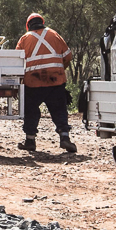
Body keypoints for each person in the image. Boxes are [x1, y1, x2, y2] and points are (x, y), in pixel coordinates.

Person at [16, 13, 77, 154]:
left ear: (28, 26)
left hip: (33, 82)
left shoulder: (25, 39)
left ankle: (30, 140)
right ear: (42, 22)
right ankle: (64, 138)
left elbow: (17, 61)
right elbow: (68, 56)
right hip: (55, 81)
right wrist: (60, 70)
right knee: (59, 109)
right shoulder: (54, 34)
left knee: (31, 110)